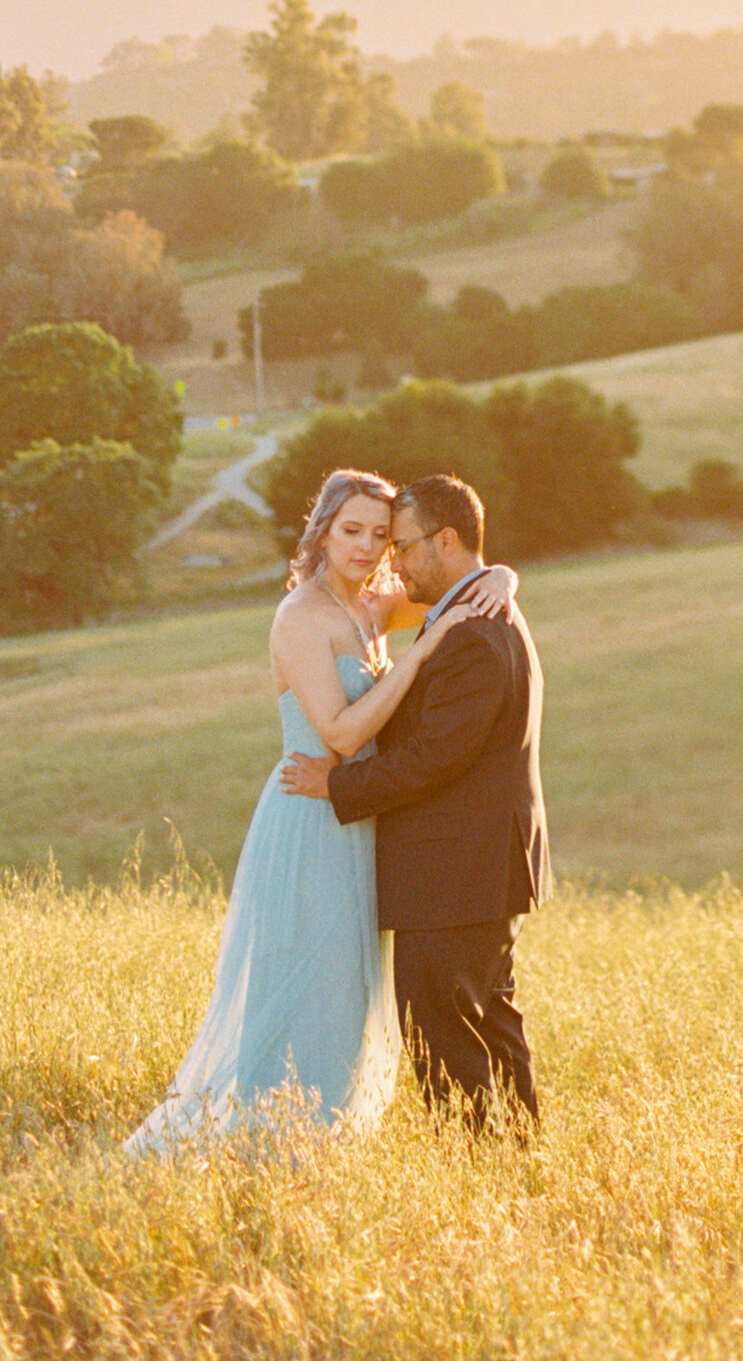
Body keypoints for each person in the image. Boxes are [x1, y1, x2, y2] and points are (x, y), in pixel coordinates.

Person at [126, 467, 513, 1151]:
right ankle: (261, 1139)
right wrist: (418, 657)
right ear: (323, 532)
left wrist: (505, 577)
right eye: (352, 532)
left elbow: (460, 588)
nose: (367, 549)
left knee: (354, 996)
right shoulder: (299, 617)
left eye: (382, 536)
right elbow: (339, 734)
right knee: (308, 983)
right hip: (312, 814)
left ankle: (321, 1140)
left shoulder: (371, 606)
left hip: (364, 820)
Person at [278, 469, 550, 1128]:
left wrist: (335, 784)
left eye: (399, 544)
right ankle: (514, 1155)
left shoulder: (472, 634)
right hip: (471, 870)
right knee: (488, 1019)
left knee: (441, 1029)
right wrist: (501, 574)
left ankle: (475, 1163)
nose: (389, 560)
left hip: (457, 873)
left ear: (445, 541)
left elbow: (432, 759)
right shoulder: (473, 612)